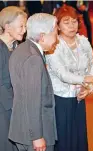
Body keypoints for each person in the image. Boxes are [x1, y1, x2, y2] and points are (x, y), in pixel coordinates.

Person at [46, 5, 93, 151]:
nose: (72, 26)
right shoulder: (54, 46)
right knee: (64, 138)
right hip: (60, 98)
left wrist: (88, 88)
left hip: (79, 96)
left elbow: (90, 65)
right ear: (58, 26)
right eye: (66, 22)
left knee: (79, 136)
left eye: (74, 21)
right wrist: (86, 80)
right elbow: (62, 74)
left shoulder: (83, 41)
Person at [8, 13, 58, 151]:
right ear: (42, 36)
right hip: (34, 133)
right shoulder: (33, 59)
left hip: (23, 128)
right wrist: (36, 136)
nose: (57, 39)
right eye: (55, 33)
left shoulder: (22, 49)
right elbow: (32, 100)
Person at [0, 6, 27, 151]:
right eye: (20, 26)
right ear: (7, 26)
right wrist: (14, 106)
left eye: (25, 26)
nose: (24, 30)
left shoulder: (16, 46)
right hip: (4, 108)